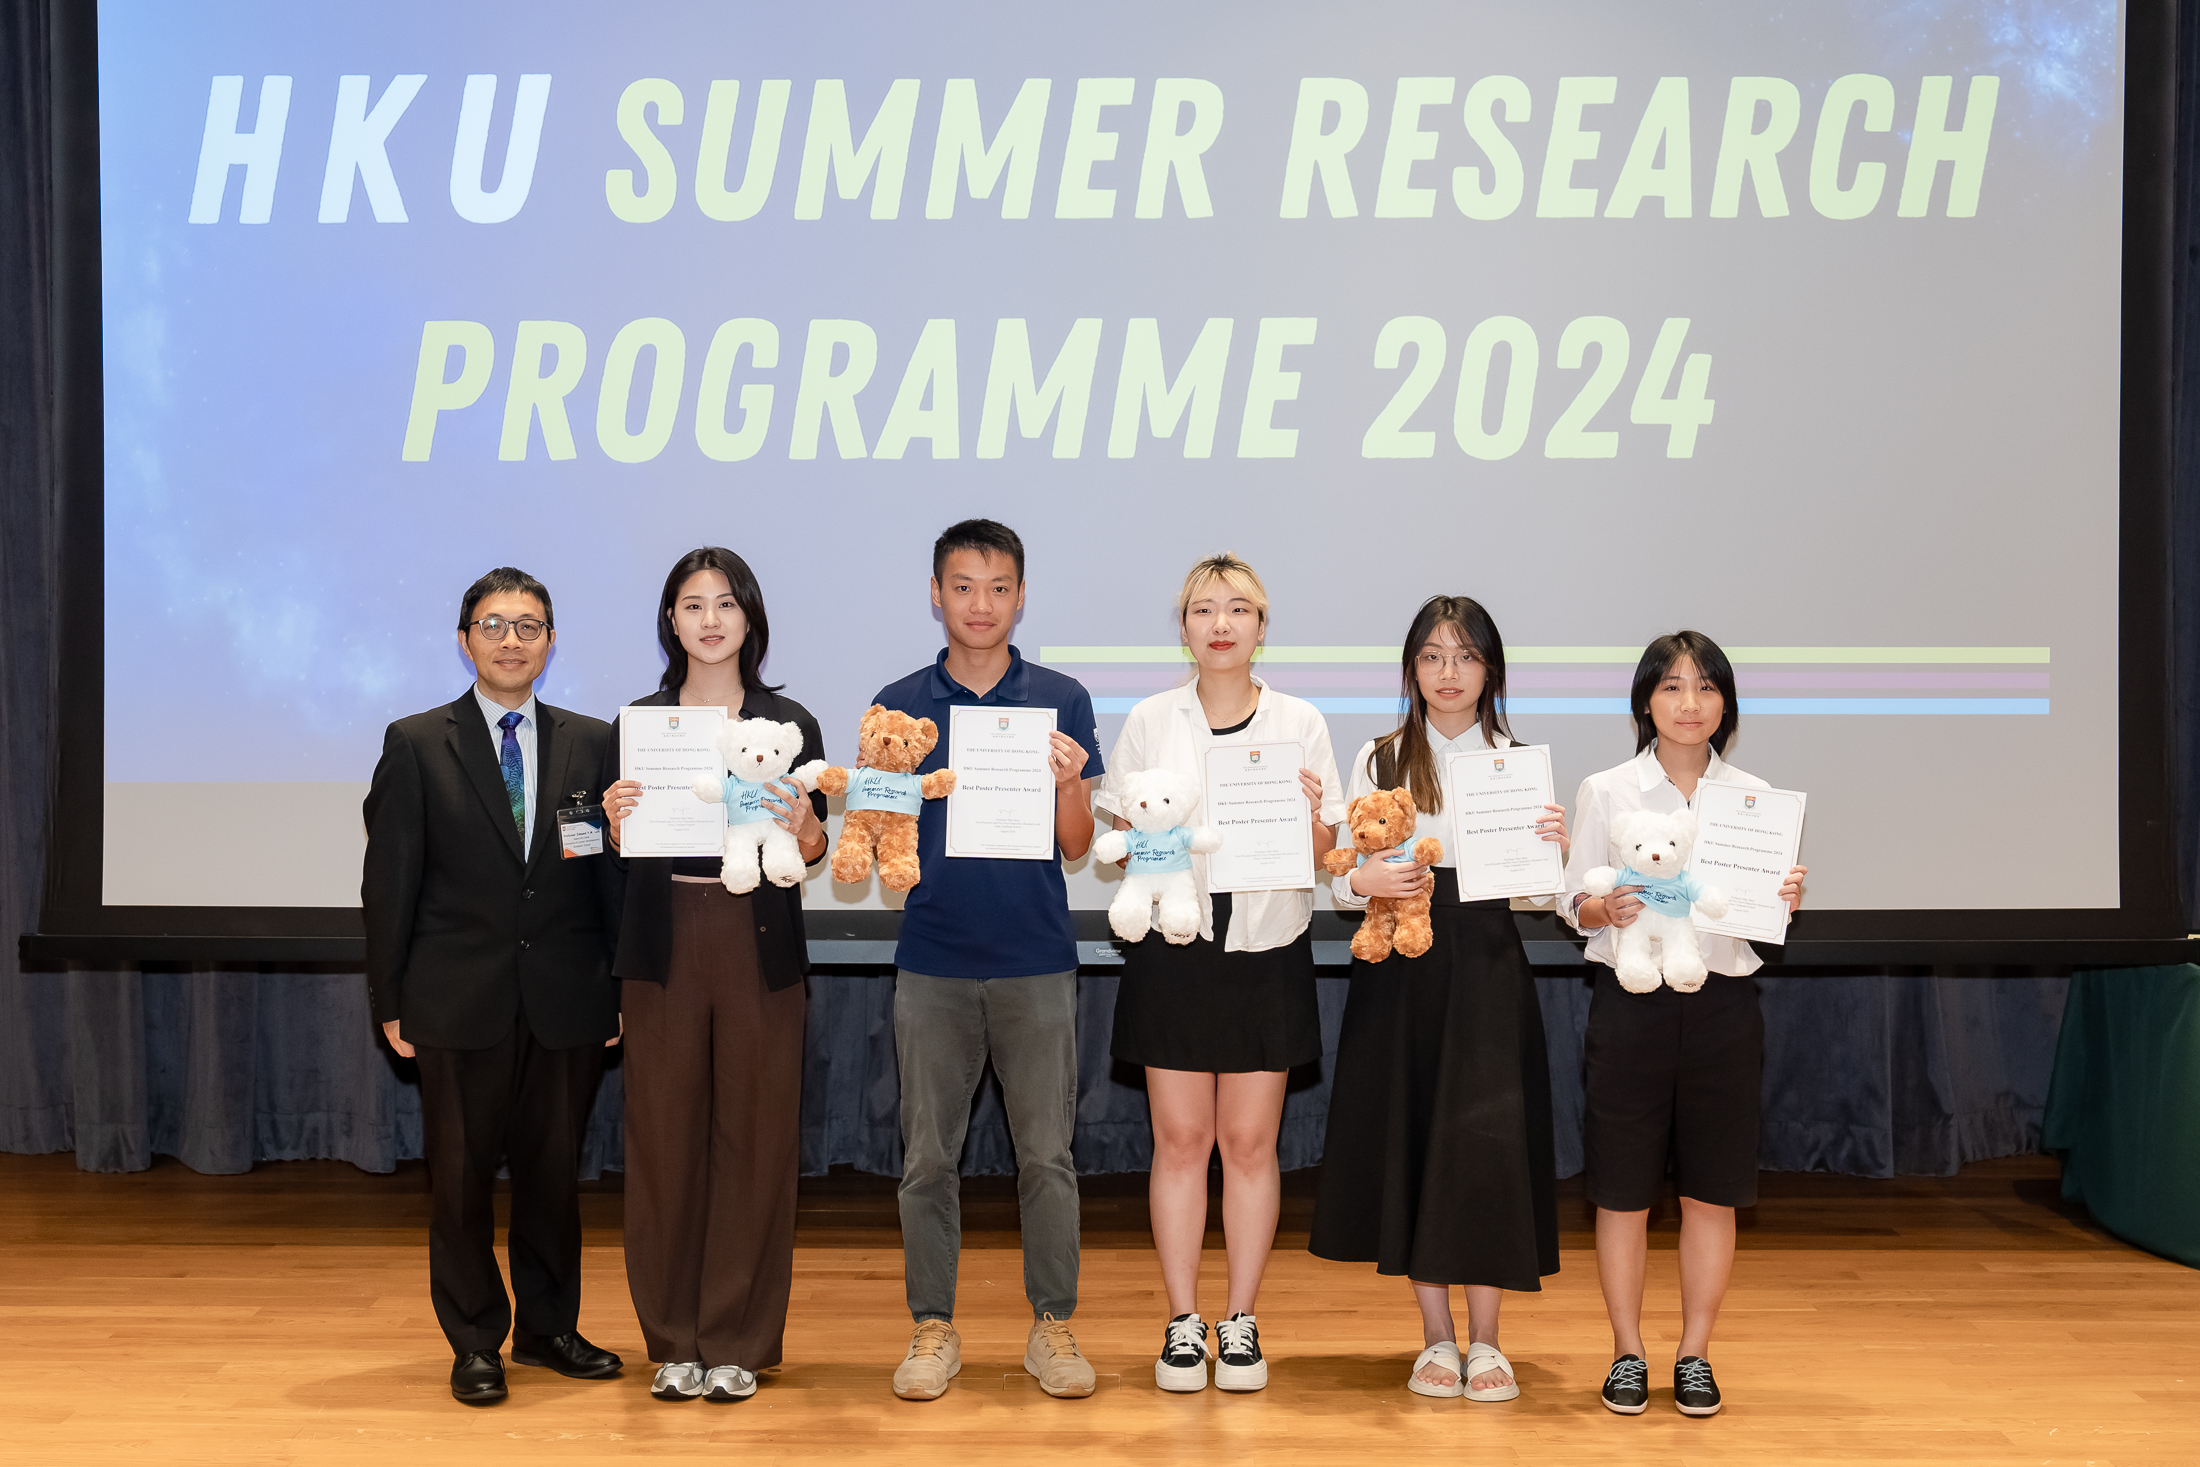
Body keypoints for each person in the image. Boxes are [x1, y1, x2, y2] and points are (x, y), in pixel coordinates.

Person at [362, 566, 624, 1406]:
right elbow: (390, 879)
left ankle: (548, 1329)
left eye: (529, 625)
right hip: (454, 997)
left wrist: (616, 986)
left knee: (554, 1176)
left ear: (552, 641)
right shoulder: (415, 740)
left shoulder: (591, 741)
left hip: (566, 996)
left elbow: (603, 877)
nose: (512, 640)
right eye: (495, 624)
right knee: (463, 1179)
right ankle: (475, 1337)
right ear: (466, 637)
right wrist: (389, 996)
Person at [1308, 596, 1570, 1401]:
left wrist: (1550, 855)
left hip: (1487, 964)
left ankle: (1488, 1342)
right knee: (1411, 1136)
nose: (1447, 672)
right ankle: (1435, 1337)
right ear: (1411, 670)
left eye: (1464, 655)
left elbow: (1535, 898)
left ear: (1490, 669)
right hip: (1402, 968)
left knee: (1484, 1144)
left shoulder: (1517, 762)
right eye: (1431, 655)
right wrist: (1361, 878)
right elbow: (1345, 873)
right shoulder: (1381, 756)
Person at [1095, 552, 1344, 1394]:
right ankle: (1181, 1320)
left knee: (1248, 1144)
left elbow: (1327, 854)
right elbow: (1123, 838)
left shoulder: (1301, 723)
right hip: (1175, 950)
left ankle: (1239, 1320)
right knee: (1180, 1141)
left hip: (1266, 950)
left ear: (1263, 627)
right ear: (1186, 626)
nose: (1222, 623)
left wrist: (1310, 821)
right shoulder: (1150, 721)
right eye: (1205, 609)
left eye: (1240, 609)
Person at [872, 519, 1106, 1401]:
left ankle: (1053, 1325)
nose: (981, 603)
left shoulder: (1061, 697)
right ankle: (933, 1325)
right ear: (936, 593)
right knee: (928, 1157)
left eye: (999, 586)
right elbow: (888, 831)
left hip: (1037, 958)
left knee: (1047, 1155)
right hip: (932, 957)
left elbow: (1077, 844)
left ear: (1021, 595)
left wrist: (1069, 780)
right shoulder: (900, 700)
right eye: (963, 586)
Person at [596, 548, 827, 1404]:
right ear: (671, 621)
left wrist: (805, 826)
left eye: (725, 602)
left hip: (758, 942)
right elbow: (603, 852)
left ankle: (738, 1337)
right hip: (662, 948)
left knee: (756, 1140)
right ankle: (672, 1338)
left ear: (749, 616)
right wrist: (613, 826)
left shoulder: (789, 718)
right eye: (692, 604)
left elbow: (816, 851)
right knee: (662, 1140)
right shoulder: (638, 723)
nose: (710, 618)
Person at [1561, 631, 1808, 1419]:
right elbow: (1577, 905)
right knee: (1623, 1191)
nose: (1689, 702)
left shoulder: (1755, 800)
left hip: (1723, 1008)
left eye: (1705, 687)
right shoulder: (1607, 790)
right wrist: (1607, 907)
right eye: (1671, 686)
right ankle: (1627, 1351)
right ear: (1645, 702)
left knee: (1712, 1191)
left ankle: (1695, 1352)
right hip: (1628, 1006)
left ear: (1726, 703)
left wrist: (1783, 897)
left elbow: (1755, 925)